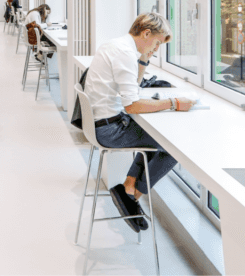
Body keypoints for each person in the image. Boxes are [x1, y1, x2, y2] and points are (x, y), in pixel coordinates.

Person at [82, 13, 196, 233]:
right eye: (156, 43)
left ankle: (128, 187)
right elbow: (132, 105)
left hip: (101, 122)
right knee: (175, 148)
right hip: (109, 130)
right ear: (146, 33)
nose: (156, 49)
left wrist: (143, 60)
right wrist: (173, 103)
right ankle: (133, 196)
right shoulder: (123, 53)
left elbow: (132, 88)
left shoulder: (116, 46)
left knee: (156, 138)